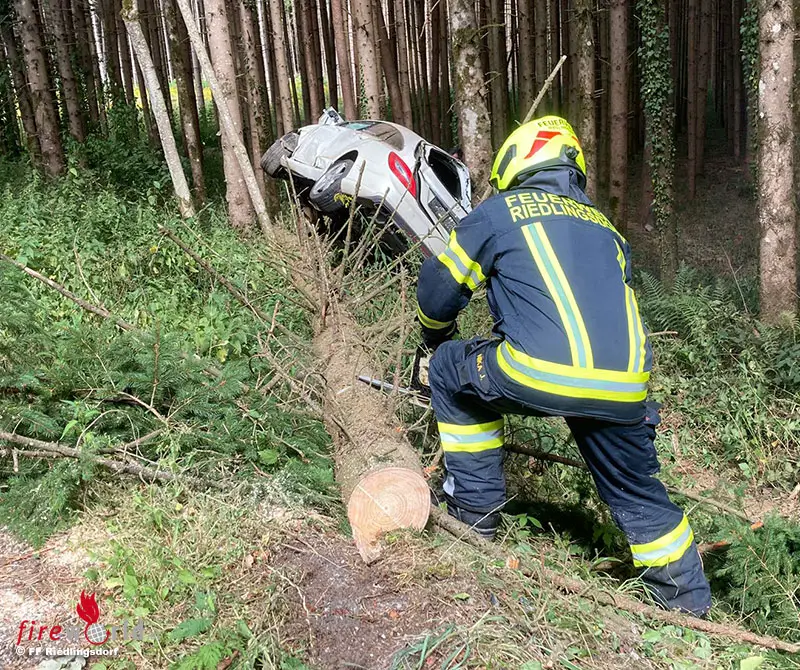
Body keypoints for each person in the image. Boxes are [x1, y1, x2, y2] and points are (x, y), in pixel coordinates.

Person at [415, 116, 712, 616]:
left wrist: (434, 338)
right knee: (638, 491)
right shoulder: (607, 229)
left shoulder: (499, 212)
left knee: (448, 367)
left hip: (536, 371)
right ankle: (687, 608)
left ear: (517, 163)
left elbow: (438, 292)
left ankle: (473, 512)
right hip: (624, 388)